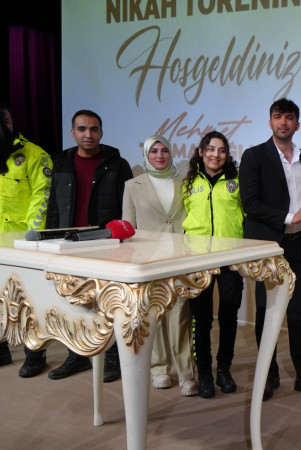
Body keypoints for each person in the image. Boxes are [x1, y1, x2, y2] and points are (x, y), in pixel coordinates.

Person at [44, 109, 132, 382]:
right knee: (75, 303)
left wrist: (123, 241)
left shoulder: (117, 164)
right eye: (82, 129)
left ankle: (112, 357)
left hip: (106, 244)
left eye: (94, 129)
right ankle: (77, 355)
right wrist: (52, 236)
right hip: (70, 244)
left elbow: (127, 209)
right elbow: (54, 204)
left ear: (101, 132)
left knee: (109, 302)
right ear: (73, 132)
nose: (88, 134)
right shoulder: (61, 163)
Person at [239, 98, 301, 400]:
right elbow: (250, 203)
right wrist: (289, 217)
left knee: (298, 313)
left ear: (297, 123)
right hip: (269, 247)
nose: (283, 122)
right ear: (270, 122)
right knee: (266, 311)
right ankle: (268, 375)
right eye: (278, 116)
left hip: (299, 244)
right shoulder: (254, 155)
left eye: (289, 117)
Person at [122, 134, 197, 396]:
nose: (159, 155)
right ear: (146, 154)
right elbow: (127, 226)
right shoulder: (133, 185)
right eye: (153, 151)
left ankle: (187, 373)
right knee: (152, 314)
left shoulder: (185, 181)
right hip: (148, 259)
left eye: (164, 150)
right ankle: (159, 368)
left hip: (180, 256)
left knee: (180, 315)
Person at [181, 131, 244, 399]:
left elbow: (245, 215)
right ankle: (204, 373)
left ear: (227, 155)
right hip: (197, 260)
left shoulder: (236, 181)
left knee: (229, 315)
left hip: (230, 258)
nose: (215, 155)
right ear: (201, 152)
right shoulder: (188, 182)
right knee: (202, 318)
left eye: (221, 150)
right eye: (210, 149)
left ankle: (224, 370)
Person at [0, 103, 52, 373]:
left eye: (5, 120)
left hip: (22, 243)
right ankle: (2, 349)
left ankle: (35, 353)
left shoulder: (34, 155)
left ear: (12, 121)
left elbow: (41, 198)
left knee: (29, 299)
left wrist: (31, 239)